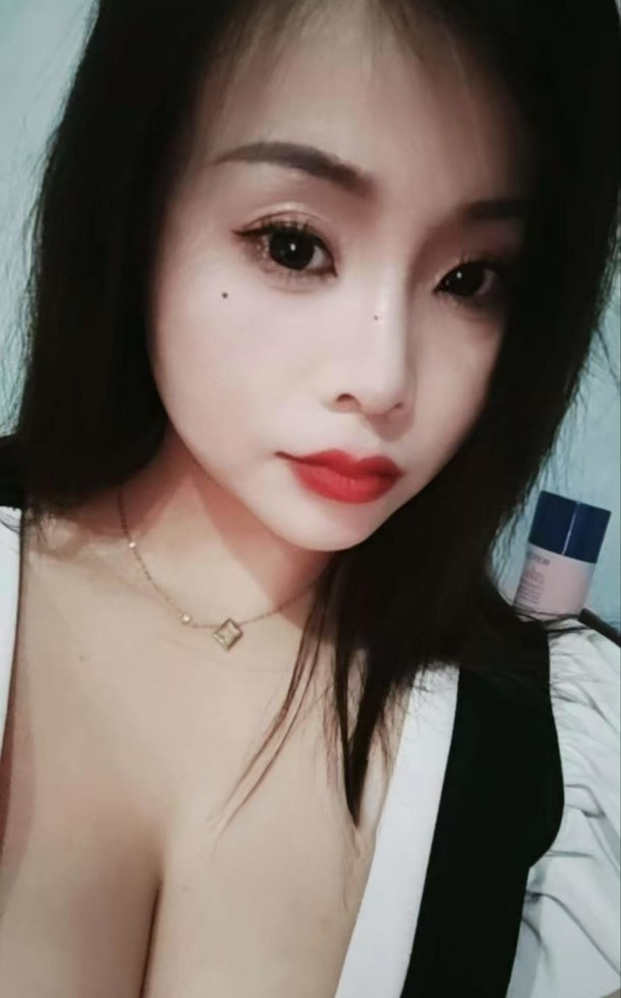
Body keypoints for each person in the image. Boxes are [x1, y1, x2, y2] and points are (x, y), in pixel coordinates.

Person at [0, 0, 619, 994]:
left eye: (469, 279)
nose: (383, 379)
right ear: (136, 199)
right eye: (293, 245)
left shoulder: (548, 762)